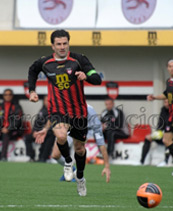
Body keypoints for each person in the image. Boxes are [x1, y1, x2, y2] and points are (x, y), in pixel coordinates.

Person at [28, 29, 102, 196]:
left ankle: (81, 178)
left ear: (69, 43)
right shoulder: (45, 62)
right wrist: (32, 90)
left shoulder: (79, 59)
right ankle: (68, 163)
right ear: (52, 46)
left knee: (80, 149)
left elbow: (97, 79)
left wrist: (86, 76)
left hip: (79, 112)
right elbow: (32, 70)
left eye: (65, 43)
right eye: (59, 44)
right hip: (58, 110)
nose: (62, 47)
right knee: (61, 136)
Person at [36, 104, 111, 183]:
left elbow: (101, 142)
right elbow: (54, 116)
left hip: (83, 130)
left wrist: (107, 166)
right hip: (68, 127)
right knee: (55, 155)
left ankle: (78, 175)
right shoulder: (67, 106)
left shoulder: (91, 114)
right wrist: (45, 129)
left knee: (79, 149)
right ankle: (71, 169)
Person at [0, 89, 23, 161]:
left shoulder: (16, 106)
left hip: (13, 130)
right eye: (6, 94)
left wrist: (8, 128)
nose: (7, 96)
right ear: (3, 96)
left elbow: (17, 121)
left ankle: (3, 157)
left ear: (12, 96)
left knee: (6, 135)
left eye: (9, 94)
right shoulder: (0, 106)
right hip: (2, 129)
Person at [24, 96, 55, 162]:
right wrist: (35, 131)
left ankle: (43, 157)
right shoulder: (42, 111)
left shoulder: (55, 111)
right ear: (44, 101)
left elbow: (55, 125)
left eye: (49, 101)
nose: (48, 103)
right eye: (46, 101)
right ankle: (31, 156)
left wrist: (44, 131)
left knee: (50, 137)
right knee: (28, 138)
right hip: (40, 132)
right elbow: (37, 123)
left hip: (49, 133)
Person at [140, 99, 170, 166]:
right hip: (162, 132)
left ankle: (166, 161)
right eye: (165, 102)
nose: (167, 104)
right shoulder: (163, 110)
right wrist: (157, 133)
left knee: (168, 138)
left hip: (172, 134)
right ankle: (142, 161)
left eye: (168, 102)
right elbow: (160, 124)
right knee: (148, 138)